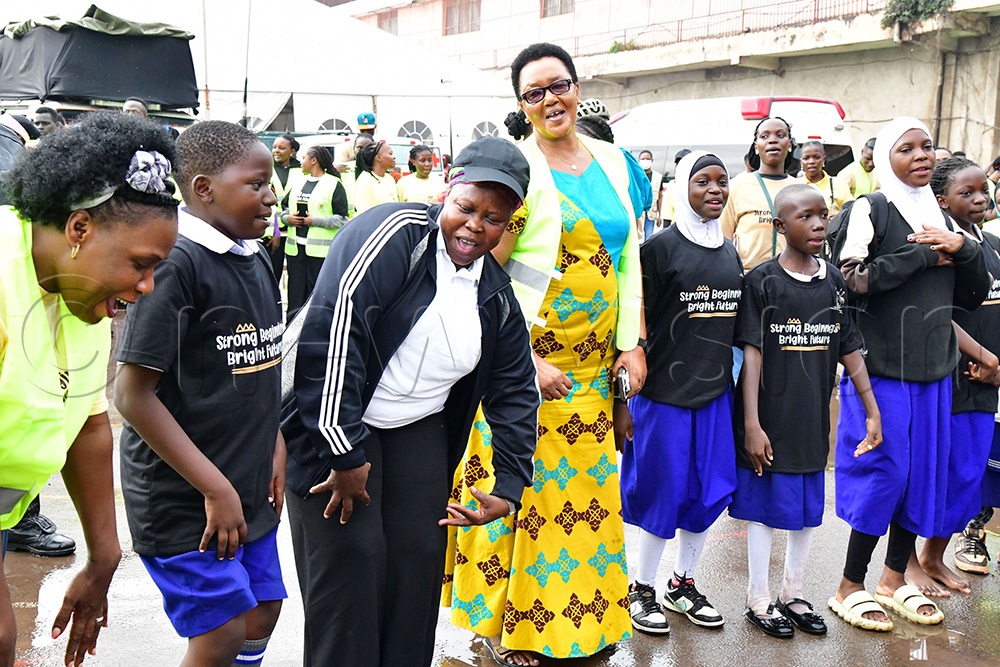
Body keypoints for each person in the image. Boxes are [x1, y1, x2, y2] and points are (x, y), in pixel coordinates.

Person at [280, 136, 538, 667]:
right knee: (351, 571)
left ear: (510, 221)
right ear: (449, 191)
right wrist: (345, 455)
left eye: (493, 218)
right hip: (333, 423)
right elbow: (335, 337)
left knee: (417, 563)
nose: (475, 226)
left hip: (416, 427)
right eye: (467, 208)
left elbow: (514, 387)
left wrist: (509, 485)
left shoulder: (492, 291)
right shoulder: (393, 235)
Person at [446, 42, 649, 666]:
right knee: (522, 496)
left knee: (581, 501)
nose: (547, 101)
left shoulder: (617, 164)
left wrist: (632, 344)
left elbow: (630, 259)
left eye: (556, 86)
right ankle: (508, 630)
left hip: (592, 372)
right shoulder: (518, 171)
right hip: (525, 370)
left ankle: (582, 620)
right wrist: (521, 362)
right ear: (520, 106)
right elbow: (484, 274)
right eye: (532, 94)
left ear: (575, 86)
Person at [0, 112, 179, 667]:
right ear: (79, 229)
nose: (147, 287)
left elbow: (88, 419)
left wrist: (105, 554)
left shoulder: (77, 293)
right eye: (141, 265)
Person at [115, 121, 285, 667]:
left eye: (271, 181)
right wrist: (215, 488)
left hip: (245, 479)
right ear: (205, 189)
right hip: (186, 494)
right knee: (221, 632)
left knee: (263, 609)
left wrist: (275, 441)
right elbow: (133, 395)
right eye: (256, 182)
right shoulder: (177, 265)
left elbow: (256, 364)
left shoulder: (253, 255)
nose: (271, 193)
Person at [828, 117, 989, 632]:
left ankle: (894, 578)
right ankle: (849, 585)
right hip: (883, 369)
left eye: (926, 148)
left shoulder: (943, 216)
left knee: (921, 475)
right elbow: (849, 281)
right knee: (885, 475)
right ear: (884, 160)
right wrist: (921, 256)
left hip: (935, 369)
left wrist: (961, 250)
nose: (921, 156)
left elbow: (971, 293)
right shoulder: (869, 209)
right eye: (907, 148)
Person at [732, 184, 881, 639]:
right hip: (771, 418)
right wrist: (752, 423)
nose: (818, 224)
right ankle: (758, 598)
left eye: (823, 215)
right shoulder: (762, 281)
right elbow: (752, 353)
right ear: (780, 227)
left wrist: (872, 410)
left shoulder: (834, 280)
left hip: (811, 417)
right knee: (764, 512)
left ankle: (792, 592)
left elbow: (849, 347)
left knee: (805, 510)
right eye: (805, 217)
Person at [620, 151, 742, 637]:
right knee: (659, 495)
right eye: (702, 182)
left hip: (713, 395)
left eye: (721, 181)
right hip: (664, 397)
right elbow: (632, 322)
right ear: (681, 191)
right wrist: (624, 400)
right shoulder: (659, 249)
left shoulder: (730, 250)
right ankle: (641, 589)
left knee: (704, 494)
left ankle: (682, 583)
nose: (714, 190)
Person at [923, 158, 1000, 584]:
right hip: (953, 372)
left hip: (989, 376)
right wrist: (983, 357)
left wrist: (997, 365)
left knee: (969, 473)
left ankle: (935, 556)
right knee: (938, 471)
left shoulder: (990, 243)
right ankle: (909, 563)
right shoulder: (943, 247)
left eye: (982, 191)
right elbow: (936, 313)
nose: (979, 199)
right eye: (966, 193)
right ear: (941, 201)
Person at [720, 117, 798, 271]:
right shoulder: (737, 186)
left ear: (789, 145)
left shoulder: (801, 189)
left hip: (793, 280)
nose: (773, 140)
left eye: (780, 135)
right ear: (756, 147)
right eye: (765, 136)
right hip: (748, 280)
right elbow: (723, 239)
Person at [282, 145, 349, 319]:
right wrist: (287, 219)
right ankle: (291, 329)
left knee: (317, 296)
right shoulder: (298, 182)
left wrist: (315, 221)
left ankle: (315, 328)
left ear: (314, 161)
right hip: (295, 251)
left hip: (320, 253)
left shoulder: (334, 184)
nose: (300, 161)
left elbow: (342, 219)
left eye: (304, 158)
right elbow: (282, 210)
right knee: (295, 295)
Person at [262, 133, 301, 281]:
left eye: (282, 148)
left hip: (294, 233)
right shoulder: (267, 168)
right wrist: (276, 231)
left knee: (295, 279)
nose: (276, 151)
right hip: (272, 232)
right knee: (272, 276)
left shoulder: (302, 170)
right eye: (274, 147)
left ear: (292, 151)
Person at [799, 141, 853, 216]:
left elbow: (852, 212)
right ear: (801, 161)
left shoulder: (839, 185)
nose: (811, 161)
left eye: (816, 157)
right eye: (806, 158)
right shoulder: (794, 185)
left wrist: (838, 218)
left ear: (823, 159)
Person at [353, 140, 398, 214]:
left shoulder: (389, 178)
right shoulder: (364, 181)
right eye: (390, 154)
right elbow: (364, 213)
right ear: (379, 158)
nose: (394, 157)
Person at [659, 148, 691, 226]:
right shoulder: (672, 185)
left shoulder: (701, 185)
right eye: (678, 164)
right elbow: (667, 214)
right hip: (677, 229)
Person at [636, 149, 664, 240]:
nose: (645, 161)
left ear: (652, 161)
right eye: (643, 159)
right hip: (638, 213)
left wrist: (660, 215)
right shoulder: (635, 175)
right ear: (639, 160)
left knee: (649, 238)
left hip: (651, 213)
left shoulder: (658, 177)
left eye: (647, 159)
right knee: (637, 238)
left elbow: (660, 197)